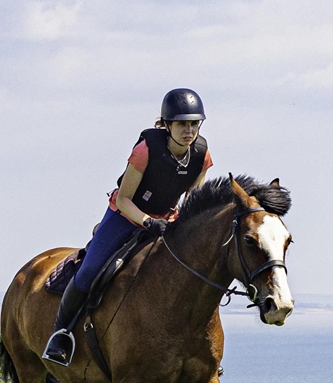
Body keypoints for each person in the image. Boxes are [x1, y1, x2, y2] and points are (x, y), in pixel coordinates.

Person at [42, 88, 214, 365]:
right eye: (182, 124)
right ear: (167, 125)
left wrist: (179, 224)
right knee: (88, 273)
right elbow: (123, 199)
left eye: (194, 124)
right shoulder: (145, 150)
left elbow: (192, 199)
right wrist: (147, 221)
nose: (189, 130)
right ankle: (60, 334)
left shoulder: (202, 155)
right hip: (124, 215)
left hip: (166, 220)